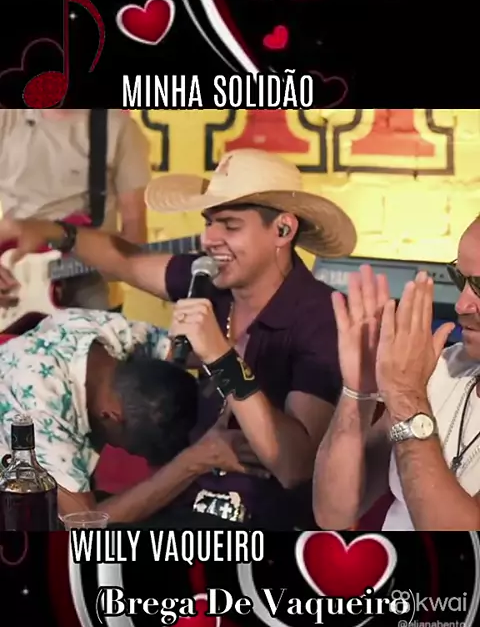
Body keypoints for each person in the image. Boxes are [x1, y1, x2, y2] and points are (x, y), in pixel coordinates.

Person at [0, 148, 357, 529]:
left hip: (258, 528)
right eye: (209, 222)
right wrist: (54, 232)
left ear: (282, 230)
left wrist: (222, 359)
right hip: (184, 508)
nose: (209, 238)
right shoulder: (209, 280)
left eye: (230, 226)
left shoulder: (320, 318)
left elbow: (295, 466)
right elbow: (124, 261)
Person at [0, 308, 251, 526]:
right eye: (133, 449)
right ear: (112, 416)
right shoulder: (41, 418)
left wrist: (238, 373)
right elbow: (84, 524)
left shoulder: (106, 332)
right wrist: (194, 461)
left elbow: (185, 351)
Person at [313, 215, 480, 531]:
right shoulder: (445, 367)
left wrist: (405, 396)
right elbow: (334, 513)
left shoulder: (413, 387)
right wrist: (359, 390)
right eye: (461, 280)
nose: (461, 305)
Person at [0, 109, 150, 313]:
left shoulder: (119, 128)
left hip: (90, 289)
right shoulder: (6, 118)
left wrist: (110, 261)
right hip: (13, 288)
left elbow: (134, 239)